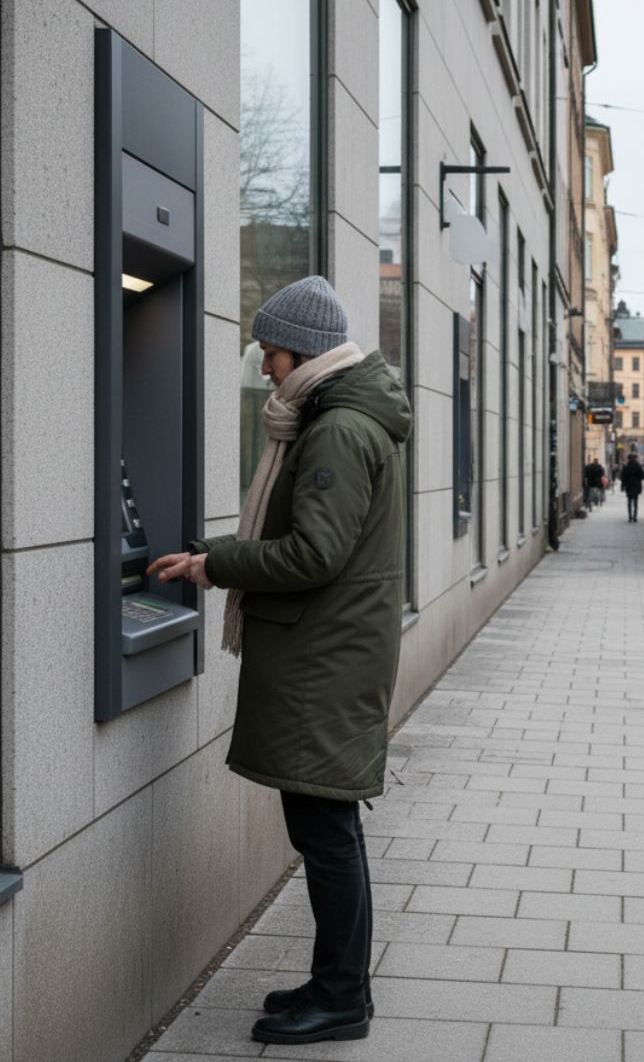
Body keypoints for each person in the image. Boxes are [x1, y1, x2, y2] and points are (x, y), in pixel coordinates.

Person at [147, 276, 412, 1047]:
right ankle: (338, 983)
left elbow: (313, 552)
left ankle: (341, 999)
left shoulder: (335, 431)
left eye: (269, 351)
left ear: (302, 350)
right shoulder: (347, 416)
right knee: (328, 829)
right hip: (333, 653)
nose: (265, 366)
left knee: (325, 832)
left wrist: (214, 564)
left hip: (324, 661)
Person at [620, 451, 644, 522]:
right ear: (635, 459)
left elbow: (623, 478)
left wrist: (622, 487)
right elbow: (642, 476)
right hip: (636, 486)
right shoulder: (638, 466)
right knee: (635, 502)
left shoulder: (626, 467)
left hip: (629, 486)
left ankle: (630, 517)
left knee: (629, 501)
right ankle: (635, 517)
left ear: (628, 459)